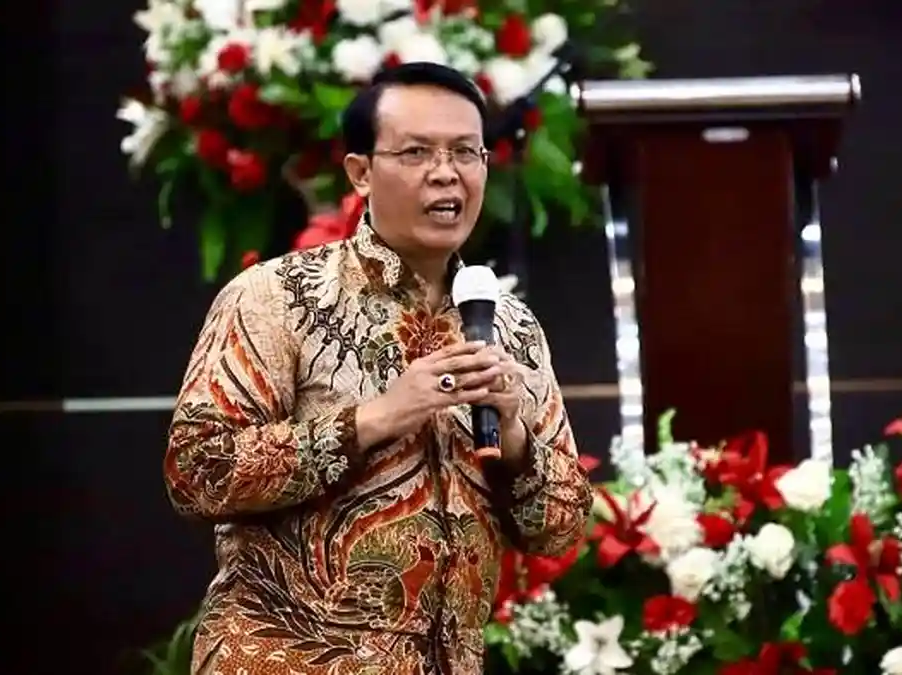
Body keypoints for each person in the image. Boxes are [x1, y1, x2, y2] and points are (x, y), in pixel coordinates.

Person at [164, 62, 592, 675]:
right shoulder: (276, 297)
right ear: (361, 172)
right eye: (416, 152)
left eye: (465, 153)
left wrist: (516, 438)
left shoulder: (509, 324)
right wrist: (373, 419)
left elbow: (560, 529)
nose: (445, 172)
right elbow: (197, 471)